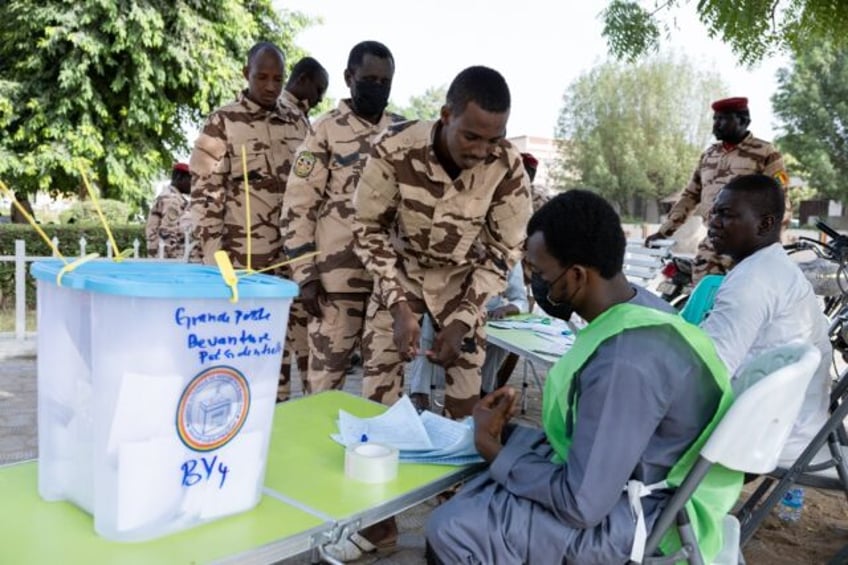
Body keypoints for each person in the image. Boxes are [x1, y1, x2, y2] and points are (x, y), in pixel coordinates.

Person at [425, 190, 742, 564]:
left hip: (643, 517)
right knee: (483, 488)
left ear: (576, 275)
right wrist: (505, 435)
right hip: (638, 481)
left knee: (451, 528)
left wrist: (494, 451)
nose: (537, 285)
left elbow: (581, 505)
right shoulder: (644, 310)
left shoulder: (624, 361)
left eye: (541, 274)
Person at [352, 65, 532, 419]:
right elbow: (367, 227)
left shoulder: (508, 167)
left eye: (493, 140)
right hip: (400, 277)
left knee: (464, 415)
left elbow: (504, 251)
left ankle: (453, 472)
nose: (482, 152)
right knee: (374, 408)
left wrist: (464, 319)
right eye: (471, 137)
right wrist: (397, 304)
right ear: (447, 116)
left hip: (463, 285)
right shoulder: (395, 147)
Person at [186, 41, 308, 402]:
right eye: (262, 77)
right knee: (247, 347)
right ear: (246, 74)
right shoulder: (223, 121)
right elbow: (206, 194)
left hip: (290, 259)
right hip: (243, 263)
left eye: (278, 78)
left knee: (289, 344)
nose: (271, 86)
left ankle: (281, 417)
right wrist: (214, 261)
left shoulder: (298, 122)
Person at [282, 40, 402, 394]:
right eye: (369, 79)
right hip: (335, 286)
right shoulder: (325, 130)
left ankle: (376, 451)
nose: (377, 87)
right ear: (350, 77)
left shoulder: (400, 133)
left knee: (385, 389)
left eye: (385, 81)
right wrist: (305, 275)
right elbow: (298, 206)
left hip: (387, 286)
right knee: (324, 386)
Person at [701, 173, 831, 466]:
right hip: (793, 426)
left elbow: (710, 371)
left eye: (726, 214)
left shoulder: (753, 280)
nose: (713, 222)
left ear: (765, 224)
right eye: (714, 213)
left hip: (765, 436)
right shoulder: (771, 266)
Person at [645, 97, 790, 282]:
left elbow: (780, 199)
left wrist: (770, 242)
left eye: (722, 119)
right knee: (702, 295)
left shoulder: (764, 152)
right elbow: (690, 196)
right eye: (715, 119)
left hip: (749, 244)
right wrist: (664, 231)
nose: (716, 125)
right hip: (713, 241)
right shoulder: (709, 155)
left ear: (743, 120)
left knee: (745, 297)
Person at [407, 261, 528, 412]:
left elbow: (520, 300)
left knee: (503, 342)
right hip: (446, 310)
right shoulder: (455, 247)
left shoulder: (508, 253)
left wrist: (508, 308)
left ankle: (484, 391)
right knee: (428, 324)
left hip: (487, 318)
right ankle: (420, 393)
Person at [145, 163, 191, 258]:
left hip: (160, 255)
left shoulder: (169, 196)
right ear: (179, 178)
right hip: (166, 258)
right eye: (190, 179)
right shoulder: (172, 200)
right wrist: (174, 259)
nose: (193, 184)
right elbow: (168, 233)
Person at [280, 56, 329, 128]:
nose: (320, 99)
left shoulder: (304, 117)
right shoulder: (275, 108)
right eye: (318, 90)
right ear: (302, 79)